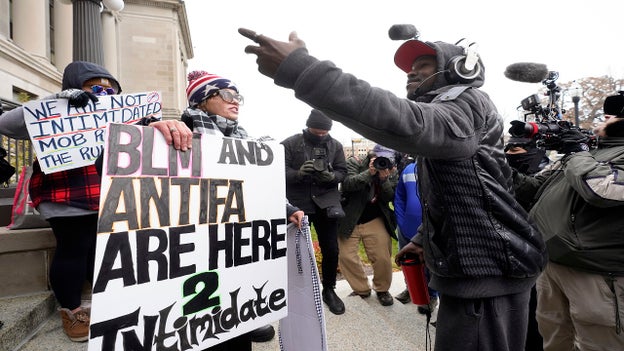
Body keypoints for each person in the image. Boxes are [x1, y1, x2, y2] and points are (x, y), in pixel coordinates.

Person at [238, 28, 546, 351]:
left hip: (489, 280)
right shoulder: (451, 120)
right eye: (409, 67)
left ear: (460, 69)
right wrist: (423, 238)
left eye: (424, 64)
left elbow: (405, 121)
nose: (411, 71)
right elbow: (465, 193)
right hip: (477, 276)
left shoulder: (468, 103)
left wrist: (302, 69)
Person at [0, 61, 192, 342]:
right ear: (75, 88)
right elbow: (6, 124)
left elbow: (149, 132)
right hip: (64, 193)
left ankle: (98, 298)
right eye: (95, 87)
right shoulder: (59, 109)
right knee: (73, 249)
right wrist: (56, 104)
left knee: (100, 250)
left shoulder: (121, 116)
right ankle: (71, 309)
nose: (103, 92)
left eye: (109, 89)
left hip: (107, 195)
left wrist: (165, 124)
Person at [512, 94, 624, 351]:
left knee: (597, 343)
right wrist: (494, 163)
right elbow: (533, 187)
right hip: (552, 265)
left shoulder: (584, 155)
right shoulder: (587, 153)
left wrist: (577, 152)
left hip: (597, 273)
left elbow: (601, 189)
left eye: (616, 114)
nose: (606, 116)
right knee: (553, 338)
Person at [182, 69, 281, 348]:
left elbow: (260, 186)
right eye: (227, 94)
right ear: (202, 100)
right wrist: (153, 128)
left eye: (238, 96)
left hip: (235, 238)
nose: (235, 100)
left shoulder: (245, 141)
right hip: (197, 238)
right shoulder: (179, 132)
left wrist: (287, 209)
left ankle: (240, 321)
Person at [280, 109, 347, 315]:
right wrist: (298, 174)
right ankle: (294, 290)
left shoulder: (335, 145)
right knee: (294, 249)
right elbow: (278, 171)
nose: (320, 135)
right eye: (316, 132)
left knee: (331, 249)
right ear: (308, 126)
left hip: (327, 203)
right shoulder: (290, 143)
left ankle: (329, 289)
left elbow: (342, 172)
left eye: (323, 133)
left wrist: (330, 177)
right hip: (299, 203)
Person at [338, 144, 397, 306]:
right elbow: (348, 184)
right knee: (346, 256)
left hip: (375, 218)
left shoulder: (392, 170)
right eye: (378, 157)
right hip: (350, 217)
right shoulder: (354, 163)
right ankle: (361, 289)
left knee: (382, 256)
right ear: (371, 155)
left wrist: (384, 179)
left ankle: (382, 289)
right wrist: (369, 173)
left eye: (386, 158)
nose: (381, 161)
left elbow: (389, 197)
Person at [393, 158, 439, 314]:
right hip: (406, 227)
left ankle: (431, 296)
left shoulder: (437, 167)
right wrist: (401, 221)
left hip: (429, 229)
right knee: (407, 261)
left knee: (429, 265)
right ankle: (410, 289)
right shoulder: (408, 170)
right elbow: (399, 197)